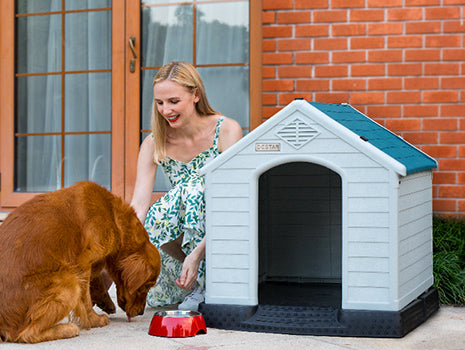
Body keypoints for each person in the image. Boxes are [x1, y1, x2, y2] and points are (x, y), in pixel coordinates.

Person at [130, 61, 243, 311]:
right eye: (159, 103)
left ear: (195, 95)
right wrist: (114, 255)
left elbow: (235, 203)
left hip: (222, 232)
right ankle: (194, 282)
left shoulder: (226, 131)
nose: (165, 110)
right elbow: (138, 207)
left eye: (173, 101)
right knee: (155, 214)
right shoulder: (153, 143)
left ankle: (205, 281)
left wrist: (198, 254)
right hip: (181, 246)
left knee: (194, 190)